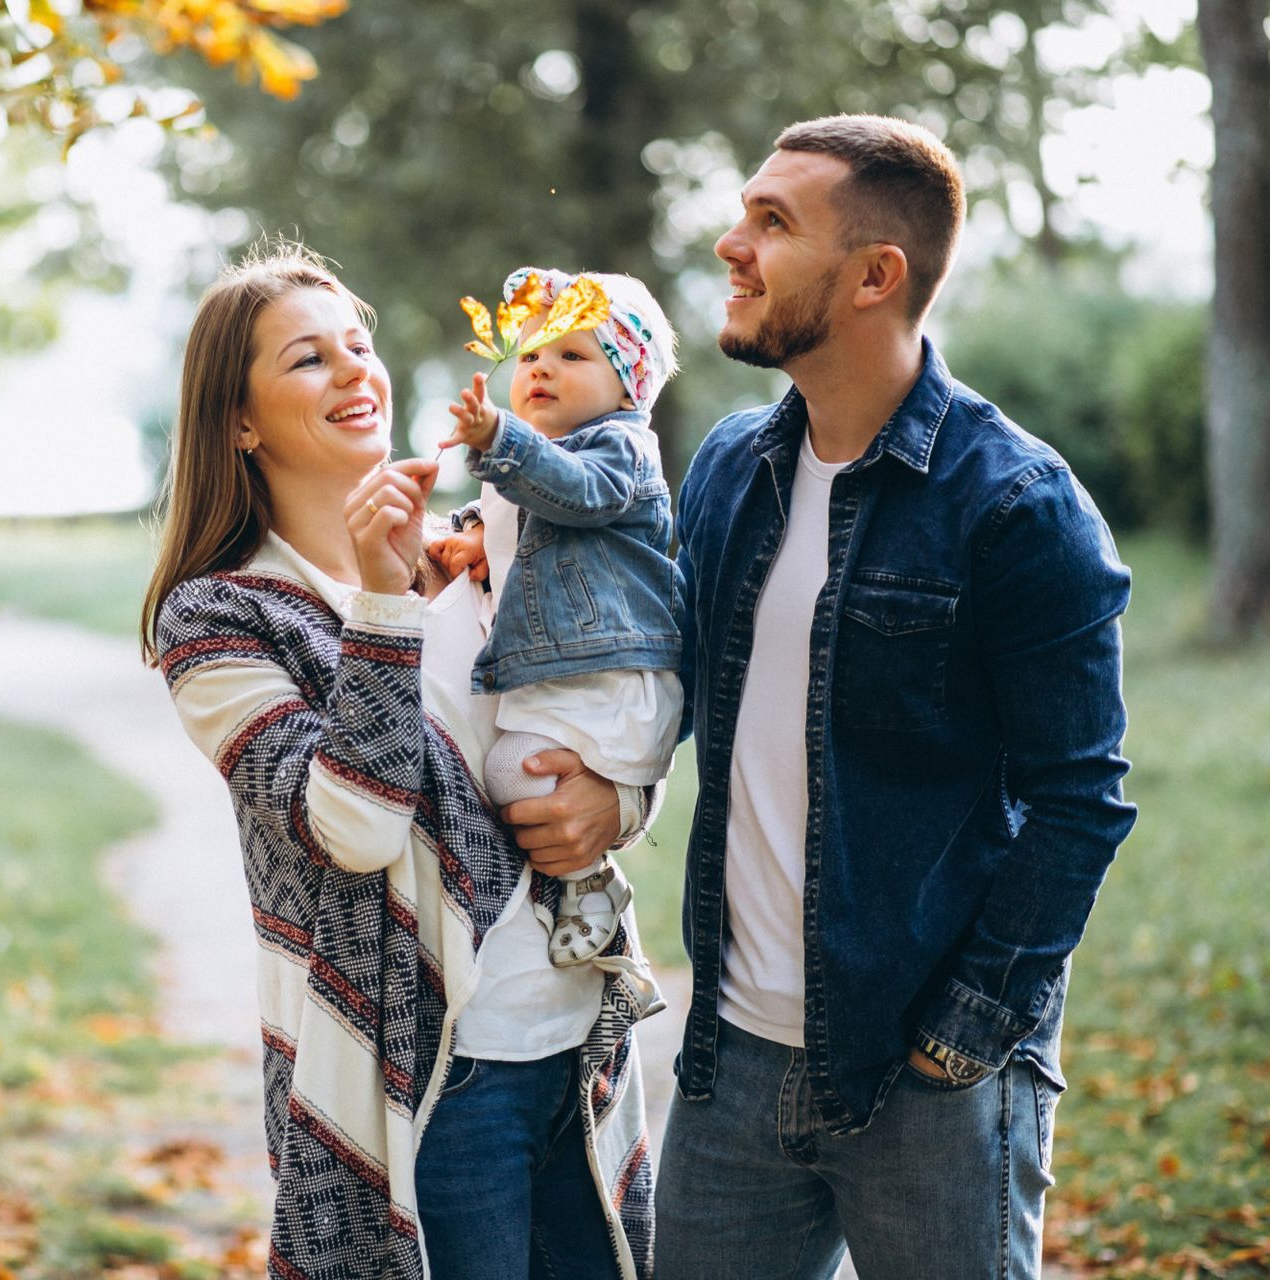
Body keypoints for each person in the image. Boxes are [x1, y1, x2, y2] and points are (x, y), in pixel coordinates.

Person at [655, 115, 1138, 1278]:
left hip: (923, 1078)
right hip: (728, 1067)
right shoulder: (729, 465)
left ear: (877, 276)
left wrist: (963, 1034)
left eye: (773, 222)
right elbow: (656, 677)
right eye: (744, 210)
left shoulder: (1016, 505)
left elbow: (1081, 798)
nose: (732, 243)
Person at [142, 244, 655, 1280]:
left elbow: (613, 678)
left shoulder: (478, 545)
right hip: (429, 1083)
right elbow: (356, 826)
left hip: (576, 1049)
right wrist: (383, 605)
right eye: (307, 360)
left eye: (359, 346)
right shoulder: (218, 615)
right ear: (238, 422)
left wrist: (620, 797)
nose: (354, 372)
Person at [429, 267, 681, 980]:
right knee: (512, 771)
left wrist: (501, 437)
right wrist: (480, 540)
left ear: (630, 386)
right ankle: (582, 886)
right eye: (533, 353)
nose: (541, 366)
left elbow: (580, 496)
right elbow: (534, 526)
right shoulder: (534, 466)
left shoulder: (619, 449)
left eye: (573, 355)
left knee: (514, 771)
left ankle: (591, 878)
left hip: (608, 670)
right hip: (568, 670)